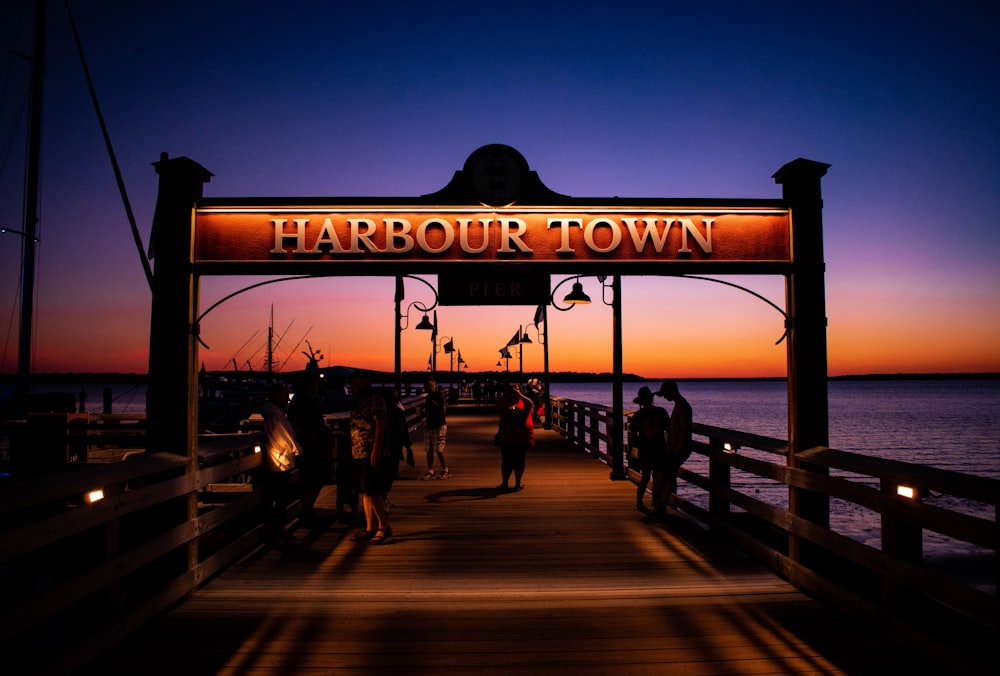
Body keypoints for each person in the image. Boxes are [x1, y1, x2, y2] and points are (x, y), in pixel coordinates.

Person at [349, 370, 393, 543]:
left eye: (353, 381)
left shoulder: (374, 398)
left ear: (362, 381)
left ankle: (384, 526)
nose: (351, 384)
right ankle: (370, 528)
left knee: (373, 490)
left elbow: (380, 423)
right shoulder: (360, 399)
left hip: (371, 451)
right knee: (366, 490)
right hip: (359, 451)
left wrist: (376, 449)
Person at [287, 371, 334, 527]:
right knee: (314, 478)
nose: (317, 386)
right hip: (310, 447)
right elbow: (309, 427)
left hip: (302, 447)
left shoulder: (298, 401)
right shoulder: (306, 401)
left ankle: (306, 510)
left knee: (307, 480)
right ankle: (306, 510)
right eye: (315, 383)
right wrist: (319, 446)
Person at [259, 382, 302, 543]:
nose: (287, 399)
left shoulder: (272, 413)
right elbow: (285, 438)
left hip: (276, 459)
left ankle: (275, 530)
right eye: (285, 396)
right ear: (278, 396)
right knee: (281, 498)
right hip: (280, 461)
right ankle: (280, 531)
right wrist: (297, 449)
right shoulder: (275, 415)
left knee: (277, 498)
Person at [653, 380, 693, 520]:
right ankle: (660, 507)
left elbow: (684, 432)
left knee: (664, 475)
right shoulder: (679, 405)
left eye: (665, 394)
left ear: (672, 392)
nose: (664, 397)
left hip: (678, 450)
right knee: (665, 476)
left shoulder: (682, 407)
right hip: (673, 449)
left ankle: (660, 507)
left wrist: (676, 452)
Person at [628, 385, 670, 515]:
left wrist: (630, 450)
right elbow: (633, 434)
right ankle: (644, 503)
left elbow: (633, 434)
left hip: (655, 449)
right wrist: (630, 450)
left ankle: (654, 503)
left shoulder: (640, 415)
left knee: (654, 478)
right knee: (647, 477)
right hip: (650, 449)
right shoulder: (659, 412)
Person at [495, 383, 534, 491]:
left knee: (520, 460)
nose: (513, 391)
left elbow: (531, 404)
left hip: (522, 436)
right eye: (511, 389)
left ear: (520, 390)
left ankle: (518, 482)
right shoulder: (505, 402)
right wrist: (507, 394)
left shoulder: (524, 402)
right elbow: (498, 405)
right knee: (506, 460)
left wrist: (519, 394)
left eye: (516, 389)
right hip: (507, 435)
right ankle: (505, 483)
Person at [382, 388, 414, 510]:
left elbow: (403, 430)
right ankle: (383, 500)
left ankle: (384, 499)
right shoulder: (397, 412)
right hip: (393, 446)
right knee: (389, 475)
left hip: (387, 447)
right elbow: (404, 430)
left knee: (386, 475)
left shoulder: (385, 412)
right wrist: (408, 447)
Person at [421, 377, 450, 479]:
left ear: (433, 386)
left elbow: (443, 410)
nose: (426, 389)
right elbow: (428, 411)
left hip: (439, 425)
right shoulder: (428, 397)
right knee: (429, 449)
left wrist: (433, 404)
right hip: (430, 425)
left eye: (428, 386)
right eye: (425, 387)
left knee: (439, 449)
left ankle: (446, 469)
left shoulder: (438, 395)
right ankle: (430, 470)